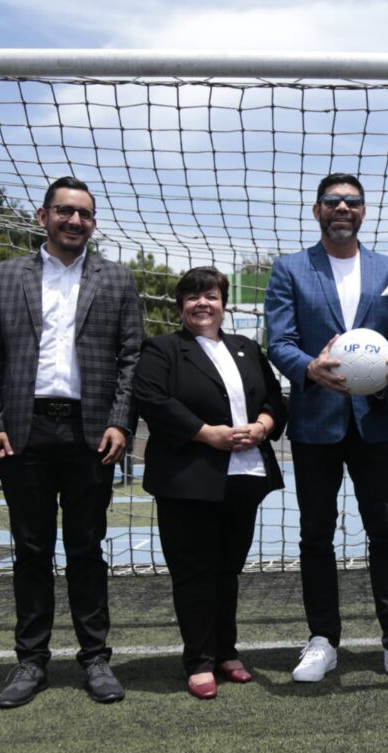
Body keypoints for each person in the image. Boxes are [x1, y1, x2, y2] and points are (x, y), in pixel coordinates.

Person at [0, 176, 143, 708]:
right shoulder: (6, 276)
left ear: (93, 223)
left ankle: (95, 658)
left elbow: (131, 357)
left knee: (87, 549)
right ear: (42, 216)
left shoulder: (117, 279)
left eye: (84, 214)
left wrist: (121, 422)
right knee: (31, 550)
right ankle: (31, 661)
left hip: (90, 433)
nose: (75, 221)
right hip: (23, 431)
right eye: (65, 211)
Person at [264, 172, 388, 686]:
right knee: (316, 534)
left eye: (352, 201)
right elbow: (279, 341)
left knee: (386, 532)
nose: (342, 208)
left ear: (363, 211)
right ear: (317, 211)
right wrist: (309, 368)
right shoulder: (290, 268)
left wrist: (384, 378)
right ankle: (322, 640)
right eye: (332, 201)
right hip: (315, 423)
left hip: (372, 420)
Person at [133, 266, 286, 699]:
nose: (203, 303)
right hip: (187, 480)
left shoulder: (246, 348)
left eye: (211, 296)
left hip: (245, 477)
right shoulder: (163, 349)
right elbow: (152, 400)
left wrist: (262, 426)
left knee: (227, 571)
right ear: (180, 305)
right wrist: (206, 434)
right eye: (193, 297)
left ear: (223, 304)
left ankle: (226, 651)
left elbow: (274, 398)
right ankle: (199, 660)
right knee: (194, 573)